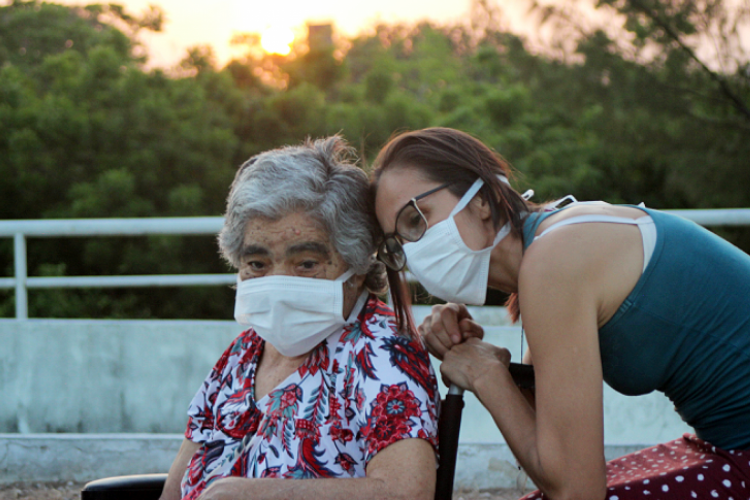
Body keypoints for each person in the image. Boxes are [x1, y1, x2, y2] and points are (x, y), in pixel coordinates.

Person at [370, 127, 750, 500]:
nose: (411, 250)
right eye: (396, 243)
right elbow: (545, 430)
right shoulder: (548, 245)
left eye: (417, 219)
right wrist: (480, 358)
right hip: (727, 445)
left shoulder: (553, 260)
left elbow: (575, 489)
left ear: (481, 199)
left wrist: (485, 374)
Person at [159, 137, 440, 500]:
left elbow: (406, 494)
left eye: (306, 264)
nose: (278, 283)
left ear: (355, 265)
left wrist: (257, 495)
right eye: (257, 265)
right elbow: (175, 488)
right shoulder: (242, 354)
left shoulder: (382, 355)